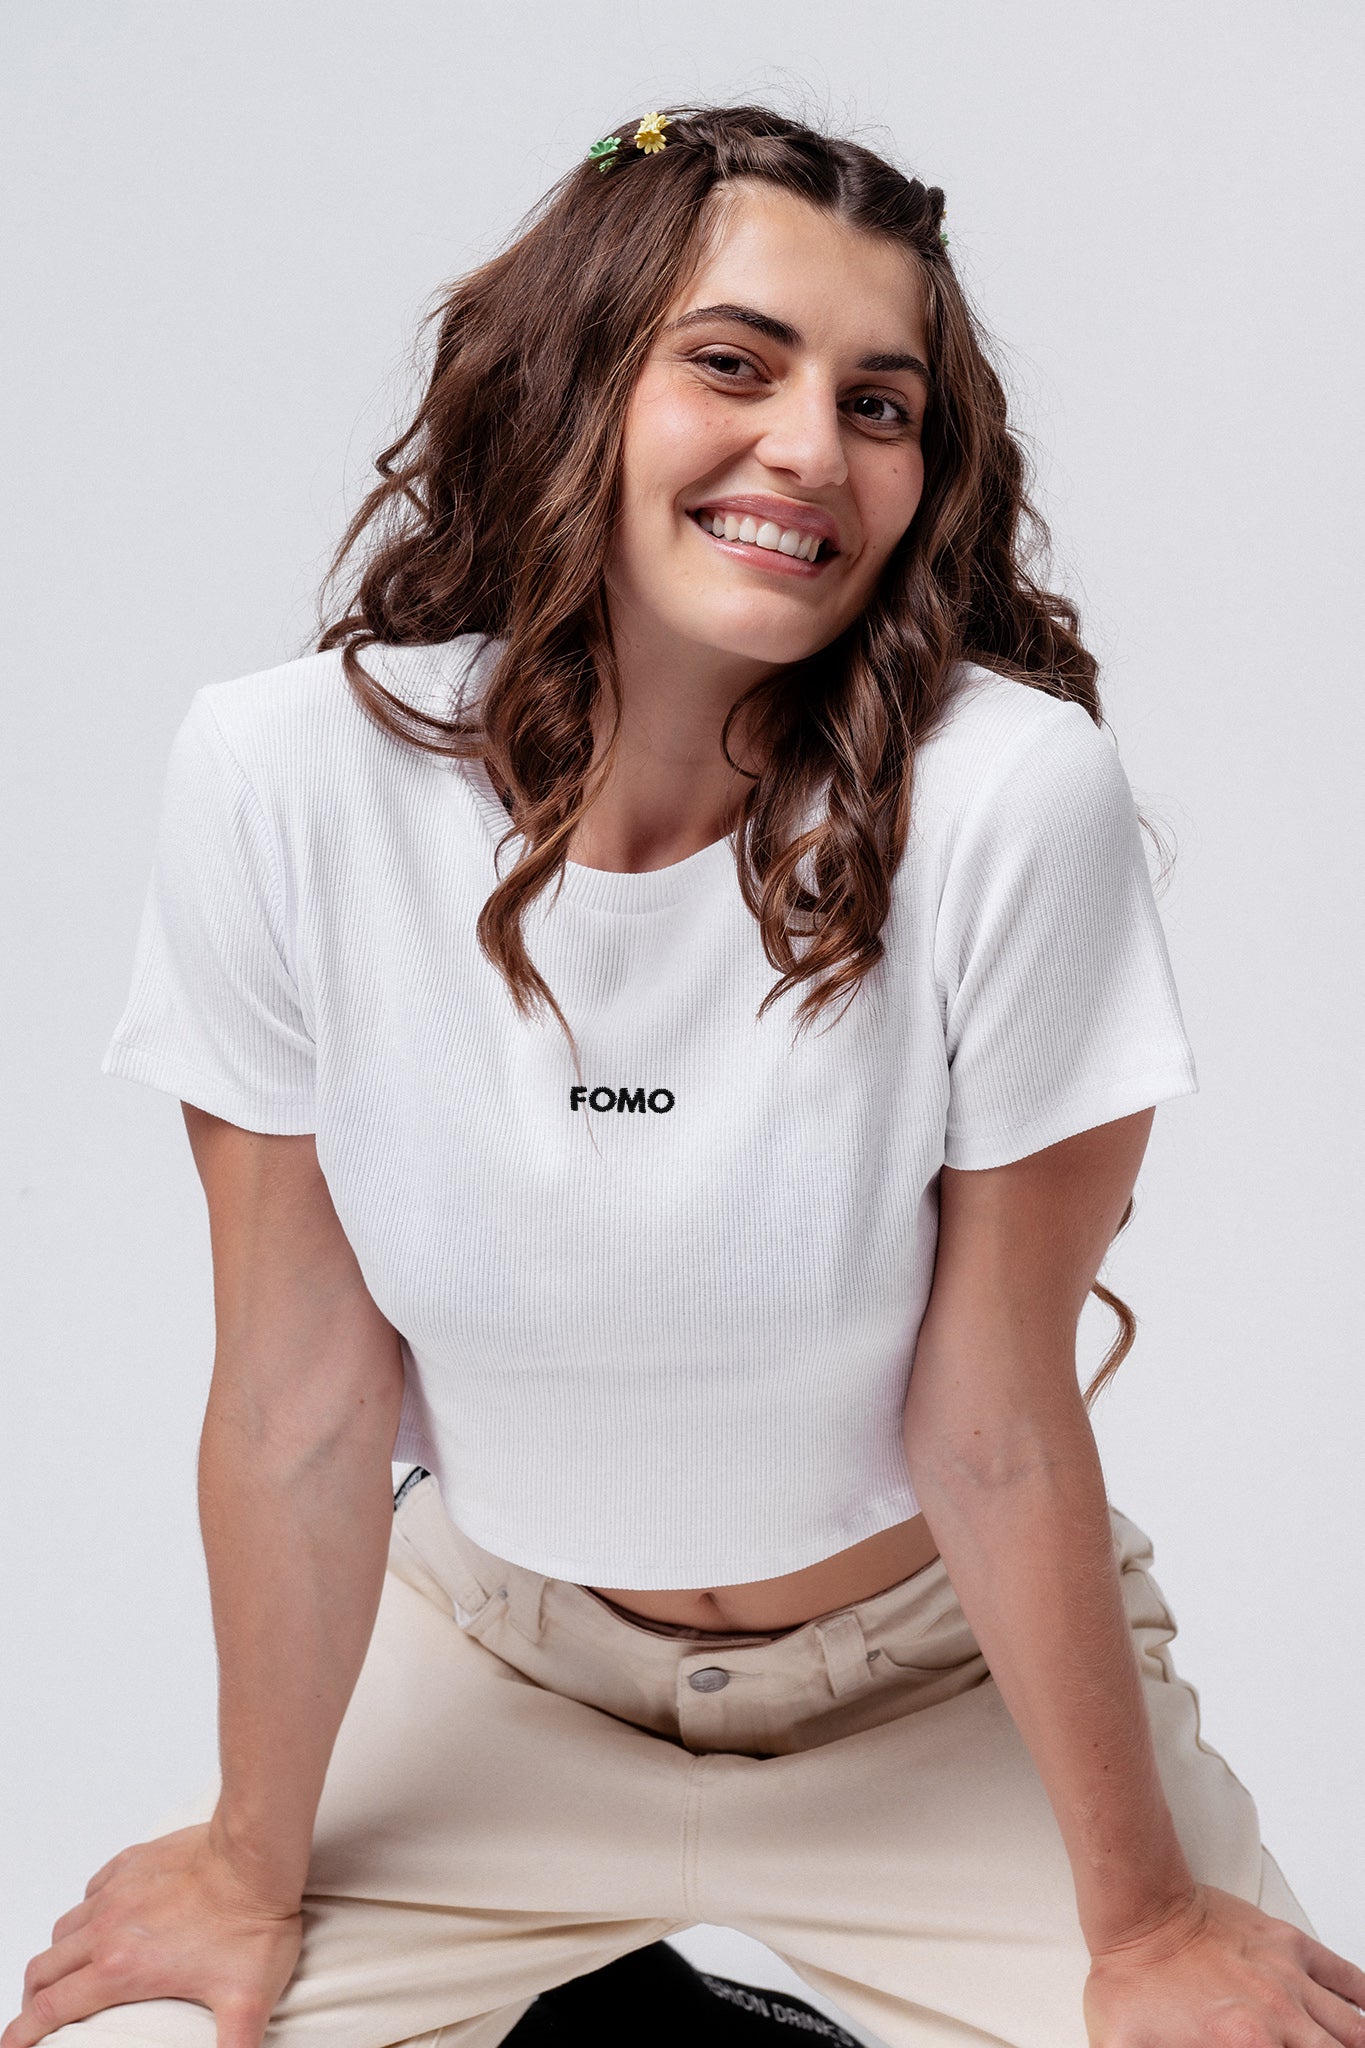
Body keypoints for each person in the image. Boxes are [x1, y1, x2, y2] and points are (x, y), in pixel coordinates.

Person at [7, 102, 1362, 2048]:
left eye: (878, 405)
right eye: (732, 363)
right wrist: (243, 1852)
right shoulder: (287, 779)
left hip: (936, 1692)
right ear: (574, 382)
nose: (810, 448)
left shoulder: (1008, 798)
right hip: (495, 1673)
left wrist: (1143, 1920)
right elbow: (300, 1401)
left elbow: (991, 1418)